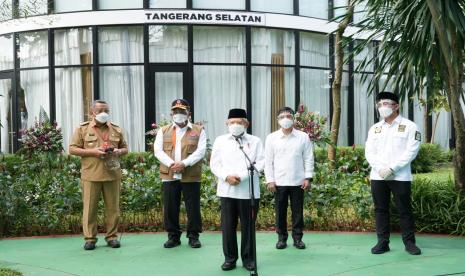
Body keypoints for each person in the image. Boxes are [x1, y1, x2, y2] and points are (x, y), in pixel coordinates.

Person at [365, 92, 422, 255]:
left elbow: (412, 150)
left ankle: (409, 243)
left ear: (396, 106)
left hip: (400, 176)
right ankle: (382, 242)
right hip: (378, 176)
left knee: (404, 209)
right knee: (380, 209)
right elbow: (369, 152)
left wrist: (392, 168)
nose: (382, 107)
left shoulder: (410, 126)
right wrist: (380, 169)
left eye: (386, 104)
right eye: (380, 104)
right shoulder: (375, 128)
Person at [210, 108, 265, 271]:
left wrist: (241, 176)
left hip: (248, 190)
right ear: (227, 124)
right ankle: (230, 259)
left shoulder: (255, 141)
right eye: (232, 122)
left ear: (246, 124)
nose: (235, 125)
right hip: (227, 191)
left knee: (248, 227)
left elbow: (260, 162)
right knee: (228, 227)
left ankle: (249, 259)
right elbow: (215, 164)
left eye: (239, 122)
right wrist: (227, 176)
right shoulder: (220, 141)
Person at [69, 100, 128, 250]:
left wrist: (118, 151)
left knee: (113, 209)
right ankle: (90, 239)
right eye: (100, 110)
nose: (104, 113)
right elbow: (72, 149)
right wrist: (93, 152)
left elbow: (125, 148)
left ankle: (112, 237)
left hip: (112, 174)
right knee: (90, 208)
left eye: (106, 110)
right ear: (92, 112)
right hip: (91, 174)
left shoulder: (116, 129)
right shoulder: (82, 129)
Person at [154, 99, 206, 249]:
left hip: (190, 174)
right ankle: (173, 236)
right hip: (169, 174)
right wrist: (172, 164)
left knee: (193, 207)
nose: (179, 114)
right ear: (171, 113)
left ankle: (193, 236)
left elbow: (201, 151)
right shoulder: (163, 130)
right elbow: (158, 151)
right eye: (176, 111)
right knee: (170, 207)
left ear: (189, 113)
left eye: (182, 111)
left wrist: (184, 163)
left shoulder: (198, 130)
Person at [264, 107, 314, 250]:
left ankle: (298, 238)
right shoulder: (271, 138)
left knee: (297, 212)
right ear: (277, 120)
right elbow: (268, 161)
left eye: (288, 116)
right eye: (282, 116)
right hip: (279, 182)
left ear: (293, 118)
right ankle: (281, 238)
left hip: (298, 181)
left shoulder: (303, 137)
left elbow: (308, 158)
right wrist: (270, 180)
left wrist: (308, 178)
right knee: (280, 212)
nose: (285, 119)